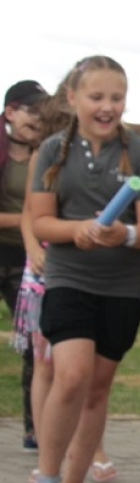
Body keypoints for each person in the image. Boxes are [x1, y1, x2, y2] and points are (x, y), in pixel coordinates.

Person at [25, 56, 140, 483]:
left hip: (124, 286)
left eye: (116, 98)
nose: (107, 107)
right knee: (71, 377)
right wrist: (78, 230)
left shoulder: (139, 152)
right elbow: (41, 218)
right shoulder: (51, 152)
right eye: (96, 96)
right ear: (72, 98)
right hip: (69, 278)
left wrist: (120, 233)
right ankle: (46, 479)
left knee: (97, 389)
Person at [4, 79, 49, 452]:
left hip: (26, 258)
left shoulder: (46, 155)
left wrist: (32, 223)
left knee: (34, 344)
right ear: (10, 111)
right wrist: (26, 218)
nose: (38, 118)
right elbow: (33, 215)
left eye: (43, 111)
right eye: (31, 110)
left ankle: (34, 428)